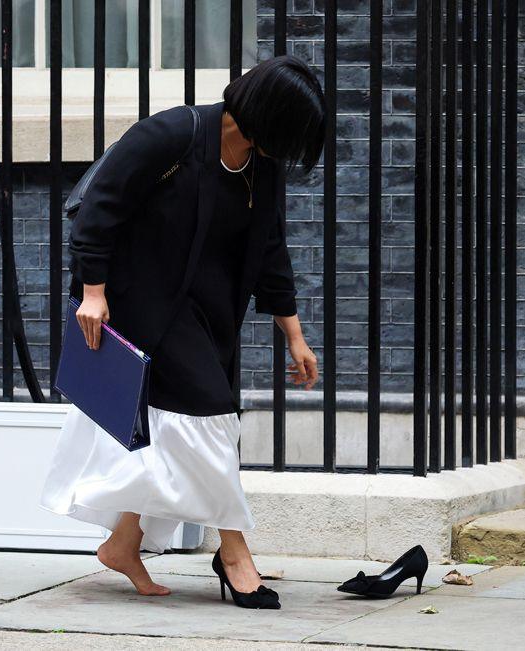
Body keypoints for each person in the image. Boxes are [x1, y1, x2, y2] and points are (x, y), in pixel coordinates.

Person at [39, 55, 326, 610]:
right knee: (212, 420)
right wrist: (93, 292)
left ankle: (123, 543)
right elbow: (99, 207)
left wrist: (294, 334)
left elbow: (269, 248)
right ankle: (235, 554)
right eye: (292, 135)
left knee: (173, 433)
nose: (291, 152)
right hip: (143, 302)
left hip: (210, 315)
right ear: (267, 116)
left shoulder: (260, 166)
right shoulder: (172, 134)